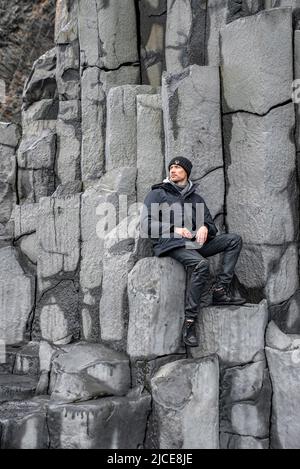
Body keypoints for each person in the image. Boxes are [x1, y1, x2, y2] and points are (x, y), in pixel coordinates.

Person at [140, 156, 246, 348]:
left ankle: (220, 290)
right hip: (171, 243)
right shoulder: (158, 194)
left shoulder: (195, 198)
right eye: (171, 167)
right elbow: (146, 224)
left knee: (233, 240)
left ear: (186, 172)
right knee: (201, 265)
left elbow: (211, 227)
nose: (173, 170)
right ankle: (189, 323)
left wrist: (205, 227)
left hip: (192, 244)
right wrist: (174, 229)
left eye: (178, 168)